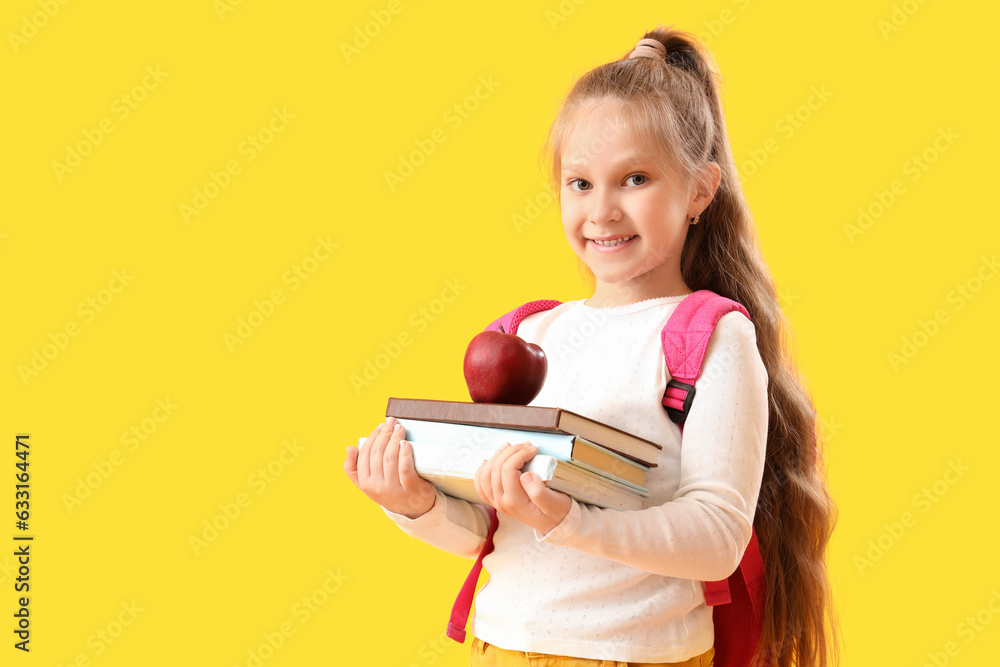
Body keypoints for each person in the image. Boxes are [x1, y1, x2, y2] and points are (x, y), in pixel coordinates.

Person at [344, 26, 838, 667]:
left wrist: (572, 520)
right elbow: (498, 531)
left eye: (634, 178)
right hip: (500, 646)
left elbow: (717, 536)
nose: (601, 210)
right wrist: (416, 504)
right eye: (580, 183)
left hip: (632, 655)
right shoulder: (528, 334)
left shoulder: (709, 336)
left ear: (698, 191)